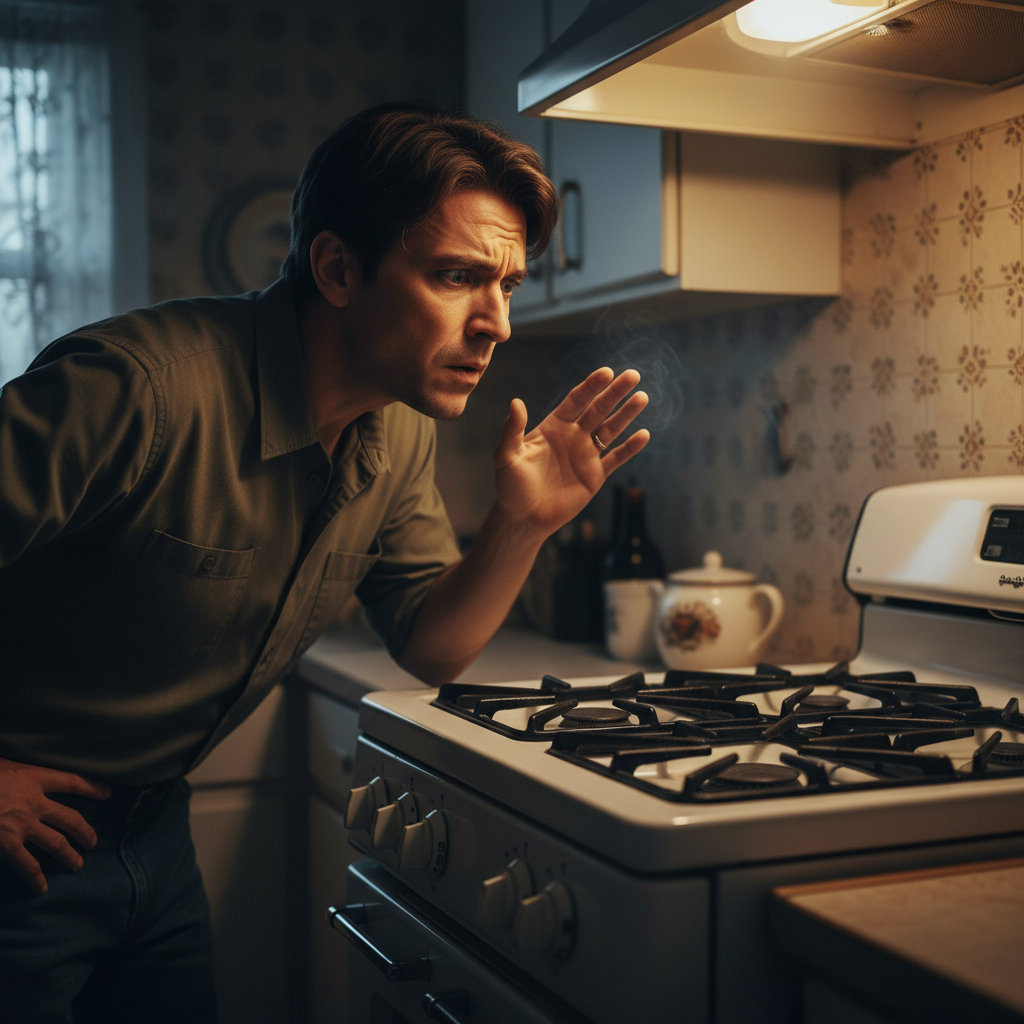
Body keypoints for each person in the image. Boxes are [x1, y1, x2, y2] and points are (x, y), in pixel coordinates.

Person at [0, 103, 649, 1021]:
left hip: (156, 836)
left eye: (508, 285)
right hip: (19, 844)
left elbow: (428, 642)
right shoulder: (135, 389)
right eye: (458, 276)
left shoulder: (397, 431)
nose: (497, 323)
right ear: (339, 269)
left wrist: (520, 526)